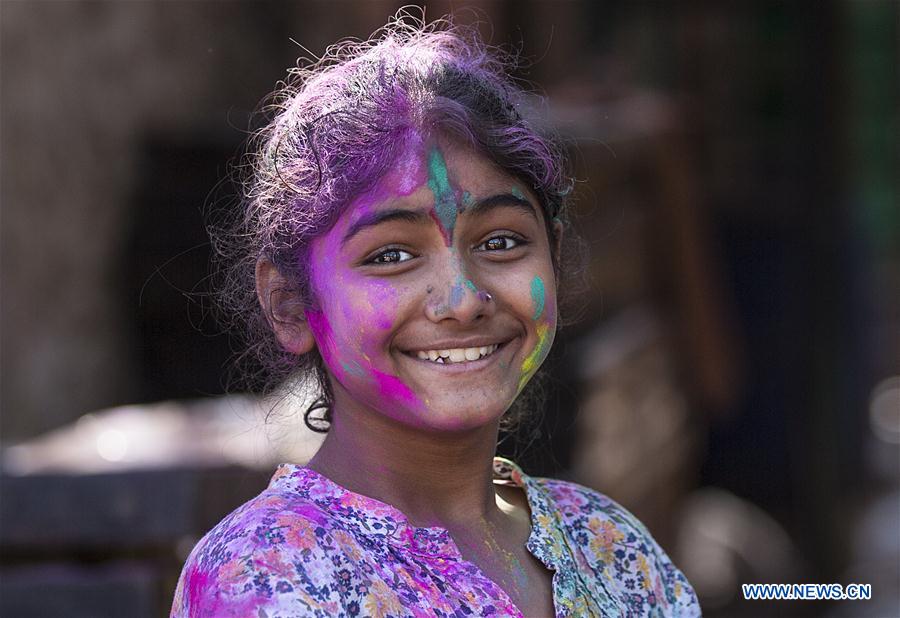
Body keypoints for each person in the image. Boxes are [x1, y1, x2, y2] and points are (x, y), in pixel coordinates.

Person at [171, 13, 700, 618]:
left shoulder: (611, 548)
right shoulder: (268, 575)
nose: (463, 298)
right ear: (290, 304)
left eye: (501, 242)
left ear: (553, 253)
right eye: (391, 255)